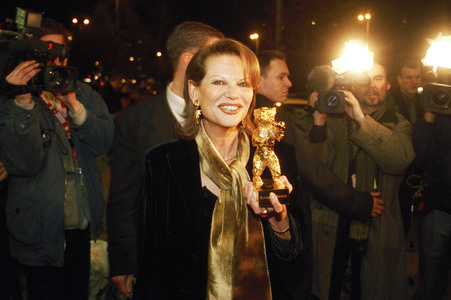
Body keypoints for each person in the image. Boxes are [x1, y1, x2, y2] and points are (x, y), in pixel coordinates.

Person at [133, 37, 305, 300]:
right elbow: (152, 265)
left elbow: (294, 263)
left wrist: (277, 218)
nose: (233, 94)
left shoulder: (278, 159)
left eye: (243, 84)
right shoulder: (163, 162)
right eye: (219, 82)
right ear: (194, 91)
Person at [106, 21, 224, 298]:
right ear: (189, 59)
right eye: (214, 54)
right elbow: (124, 201)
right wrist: (123, 262)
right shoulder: (135, 123)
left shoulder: (228, 115)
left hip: (219, 263)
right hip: (160, 266)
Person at [0, 19, 114, 300]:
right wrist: (23, 101)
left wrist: (74, 104)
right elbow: (23, 163)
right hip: (39, 223)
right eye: (47, 52)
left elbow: (103, 141)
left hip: (81, 221)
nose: (56, 58)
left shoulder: (85, 93)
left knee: (77, 291)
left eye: (61, 52)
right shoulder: (16, 98)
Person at [256, 51, 385, 298]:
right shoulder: (278, 120)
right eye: (281, 76)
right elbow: (314, 174)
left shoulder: (248, 113)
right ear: (258, 80)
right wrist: (361, 202)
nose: (289, 83)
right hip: (283, 224)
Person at [308, 63, 415, 300]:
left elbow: (399, 161)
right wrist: (318, 121)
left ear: (388, 85)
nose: (371, 85)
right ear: (355, 85)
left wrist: (361, 118)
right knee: (328, 287)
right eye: (365, 79)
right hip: (332, 223)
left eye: (378, 78)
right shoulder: (334, 119)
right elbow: (314, 170)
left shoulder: (399, 123)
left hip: (378, 224)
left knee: (371, 288)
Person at [413, 109, 451, 300]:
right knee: (431, 283)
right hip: (439, 207)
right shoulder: (441, 109)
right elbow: (421, 157)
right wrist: (429, 114)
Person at [391, 58, 423, 124]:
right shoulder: (390, 101)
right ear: (399, 80)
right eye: (409, 77)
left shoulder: (424, 100)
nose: (414, 82)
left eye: (418, 77)